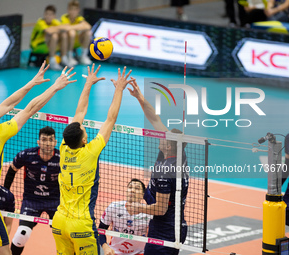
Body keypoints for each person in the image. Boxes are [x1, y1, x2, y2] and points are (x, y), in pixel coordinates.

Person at [0, 62, 76, 255]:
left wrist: (31, 83)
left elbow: (8, 104)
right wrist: (55, 86)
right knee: (3, 251)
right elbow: (29, 109)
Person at [51, 64, 134, 254]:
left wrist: (88, 84)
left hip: (59, 222)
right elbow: (110, 119)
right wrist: (119, 89)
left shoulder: (63, 148)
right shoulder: (90, 151)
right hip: (80, 225)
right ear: (84, 139)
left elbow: (79, 113)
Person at [126, 80, 189, 255]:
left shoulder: (166, 170)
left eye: (163, 138)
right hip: (175, 225)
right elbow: (154, 118)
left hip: (165, 231)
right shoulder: (178, 153)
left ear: (168, 145)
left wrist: (137, 208)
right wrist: (140, 97)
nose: (159, 138)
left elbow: (160, 209)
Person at [3, 126, 60, 255]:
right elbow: (12, 170)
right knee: (22, 235)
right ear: (38, 142)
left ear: (55, 142)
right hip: (31, 200)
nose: (47, 143)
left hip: (55, 201)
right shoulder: (27, 155)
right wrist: (5, 193)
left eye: (51, 140)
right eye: (44, 140)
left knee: (64, 236)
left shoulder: (62, 158)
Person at [99, 179, 152, 255]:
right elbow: (101, 230)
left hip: (139, 253)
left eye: (137, 188)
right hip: (115, 252)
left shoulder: (148, 213)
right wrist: (105, 247)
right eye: (130, 187)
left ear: (142, 195)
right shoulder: (114, 207)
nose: (132, 190)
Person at [30, 5, 64, 70]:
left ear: (54, 16)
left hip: (47, 44)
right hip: (37, 46)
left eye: (50, 14)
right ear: (44, 14)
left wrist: (60, 29)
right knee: (54, 35)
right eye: (47, 14)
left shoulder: (55, 22)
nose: (48, 16)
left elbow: (65, 28)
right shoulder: (40, 22)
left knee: (64, 35)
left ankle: (65, 57)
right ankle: (52, 61)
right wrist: (59, 29)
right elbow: (49, 31)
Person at [59, 0, 92, 67]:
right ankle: (69, 56)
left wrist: (72, 27)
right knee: (72, 32)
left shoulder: (79, 18)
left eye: (75, 9)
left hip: (76, 41)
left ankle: (83, 56)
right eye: (71, 9)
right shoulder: (64, 17)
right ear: (68, 10)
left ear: (78, 10)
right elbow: (66, 28)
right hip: (66, 42)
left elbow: (88, 26)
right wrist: (79, 26)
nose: (73, 12)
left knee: (88, 33)